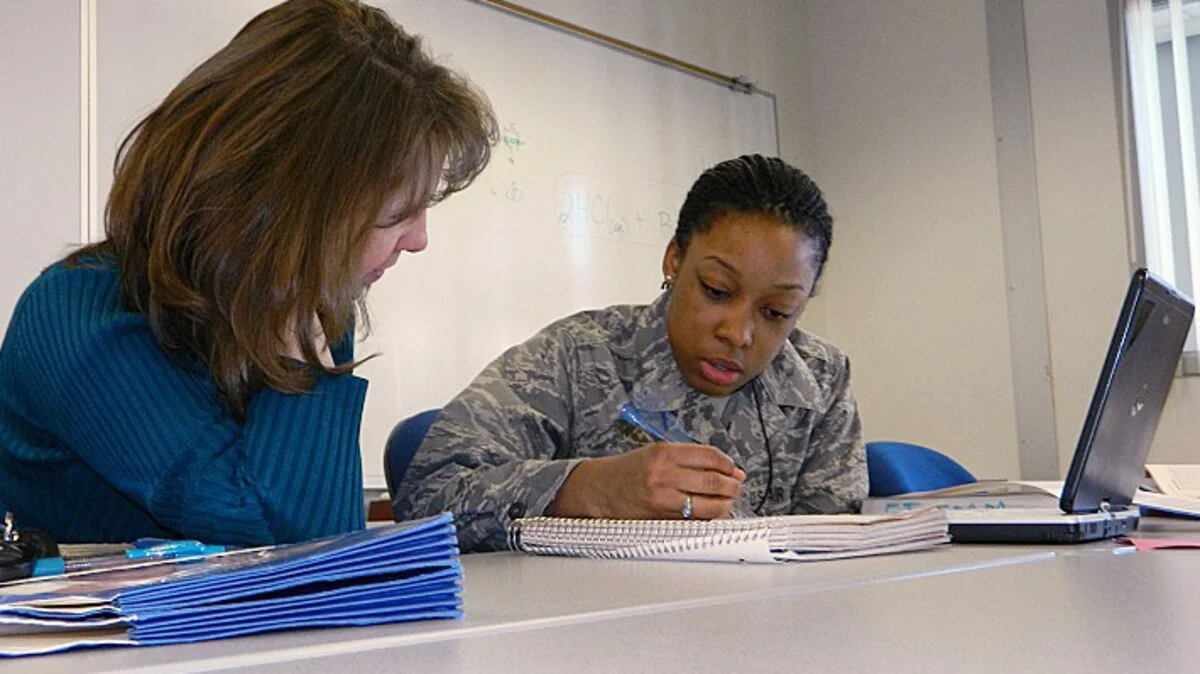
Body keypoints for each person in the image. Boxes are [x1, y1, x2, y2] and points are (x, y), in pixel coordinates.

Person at [0, 0, 496, 546]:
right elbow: (293, 548)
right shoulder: (82, 320)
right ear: (288, 203)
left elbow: (334, 554)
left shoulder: (313, 308)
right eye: (395, 214)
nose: (419, 240)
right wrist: (301, 355)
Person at [394, 154, 868, 552]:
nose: (738, 333)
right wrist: (587, 489)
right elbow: (426, 499)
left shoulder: (820, 380)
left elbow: (835, 546)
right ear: (674, 259)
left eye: (777, 312)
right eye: (717, 290)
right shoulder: (577, 357)